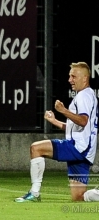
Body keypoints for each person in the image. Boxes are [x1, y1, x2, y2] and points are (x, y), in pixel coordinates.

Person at [15, 62, 99, 202]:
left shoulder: (83, 96)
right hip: (84, 151)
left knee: (36, 148)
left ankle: (34, 193)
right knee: (79, 197)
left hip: (77, 148)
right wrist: (55, 121)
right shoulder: (88, 95)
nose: (70, 80)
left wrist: (63, 111)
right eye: (69, 76)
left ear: (85, 78)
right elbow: (77, 128)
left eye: (74, 76)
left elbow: (83, 121)